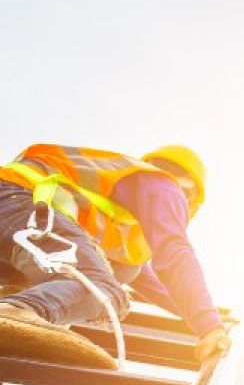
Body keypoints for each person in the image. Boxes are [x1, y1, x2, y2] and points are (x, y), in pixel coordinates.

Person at [0, 143, 230, 368]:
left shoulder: (119, 210)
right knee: (103, 292)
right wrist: (209, 326)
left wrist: (209, 315)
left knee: (119, 273)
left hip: (13, 213)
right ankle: (13, 313)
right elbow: (173, 252)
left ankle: (13, 310)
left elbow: (155, 285)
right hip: (17, 200)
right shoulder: (163, 185)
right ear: (189, 191)